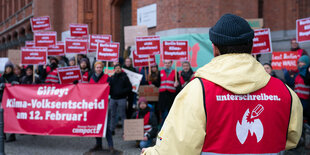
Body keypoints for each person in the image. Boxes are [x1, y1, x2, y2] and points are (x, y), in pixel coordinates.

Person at [142, 13, 302, 155]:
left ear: (215, 48)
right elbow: (292, 139)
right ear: (251, 47)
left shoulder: (197, 91)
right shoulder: (285, 93)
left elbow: (176, 149)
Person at [88, 61, 114, 152]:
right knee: (96, 124)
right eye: (97, 67)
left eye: (100, 67)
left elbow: (111, 90)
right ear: (94, 68)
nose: (98, 69)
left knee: (106, 126)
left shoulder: (107, 77)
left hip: (105, 104)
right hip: (96, 105)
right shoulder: (92, 78)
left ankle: (110, 145)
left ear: (102, 68)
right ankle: (98, 144)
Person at [108, 64, 132, 134]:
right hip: (112, 99)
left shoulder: (125, 77)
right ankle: (112, 129)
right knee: (112, 114)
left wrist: (122, 92)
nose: (118, 70)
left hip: (122, 99)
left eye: (119, 68)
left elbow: (129, 88)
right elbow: (108, 87)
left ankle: (125, 131)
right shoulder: (112, 78)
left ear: (121, 69)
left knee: (123, 115)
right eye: (116, 68)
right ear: (114, 70)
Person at [0, 61, 19, 142]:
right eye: (7, 68)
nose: (8, 69)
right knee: (2, 118)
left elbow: (18, 87)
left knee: (11, 118)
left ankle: (12, 135)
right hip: (2, 99)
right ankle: (3, 134)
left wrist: (14, 85)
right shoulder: (2, 77)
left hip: (11, 100)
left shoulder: (14, 77)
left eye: (9, 68)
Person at [158, 60, 179, 126]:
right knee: (163, 113)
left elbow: (178, 86)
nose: (167, 64)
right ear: (164, 64)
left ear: (171, 64)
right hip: (162, 97)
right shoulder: (160, 72)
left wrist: (177, 85)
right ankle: (163, 128)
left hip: (171, 96)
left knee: (169, 113)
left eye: (168, 63)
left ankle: (166, 128)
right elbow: (157, 83)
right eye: (166, 63)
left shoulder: (175, 73)